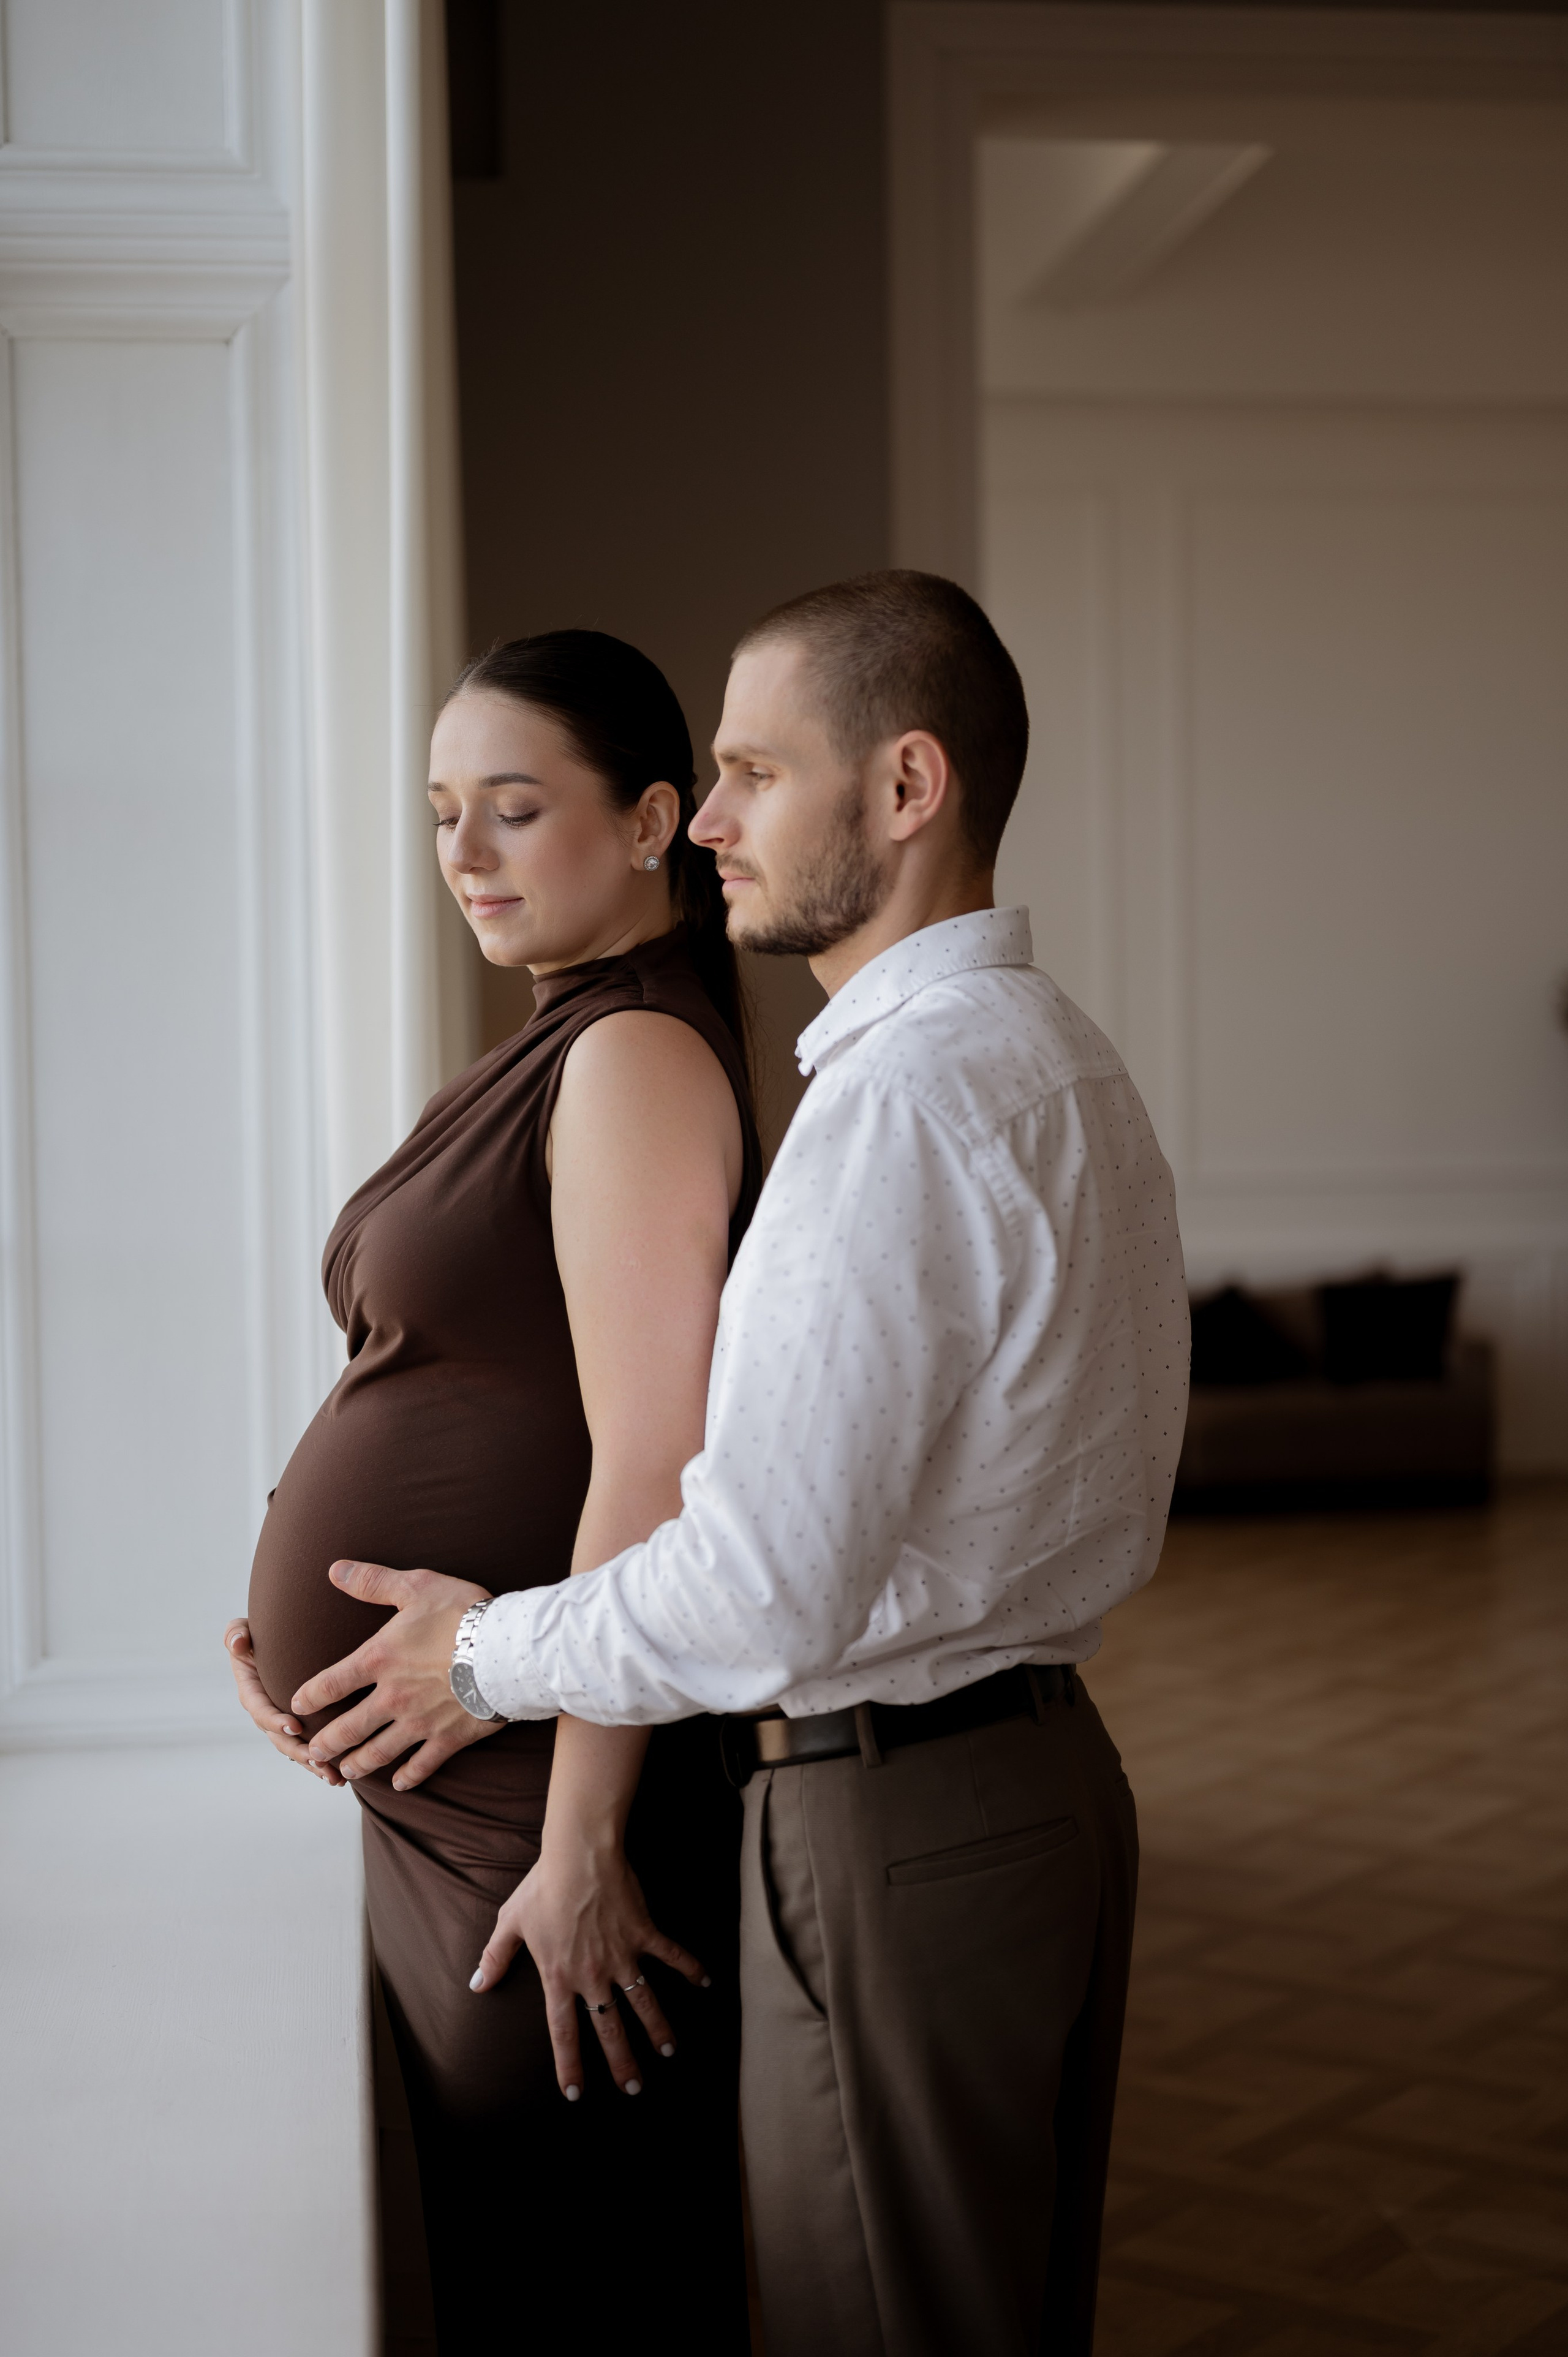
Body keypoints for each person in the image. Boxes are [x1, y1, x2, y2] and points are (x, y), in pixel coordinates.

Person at [295, 571, 1190, 2357]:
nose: (706, 822)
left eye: (753, 775)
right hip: (1013, 1783)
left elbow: (764, 1582)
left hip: (899, 1815)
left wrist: (473, 1655)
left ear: (908, 787)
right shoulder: (1050, 1057)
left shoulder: (904, 1104)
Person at [222, 632, 758, 2353]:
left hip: (530, 1815)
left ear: (656, 819)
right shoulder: (564, 1043)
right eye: (447, 812)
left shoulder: (633, 1061)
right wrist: (309, 1659)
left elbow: (652, 1462)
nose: (464, 853)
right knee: (496, 2262)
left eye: (515, 811)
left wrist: (585, 1838)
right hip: (460, 1782)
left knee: (565, 2274)